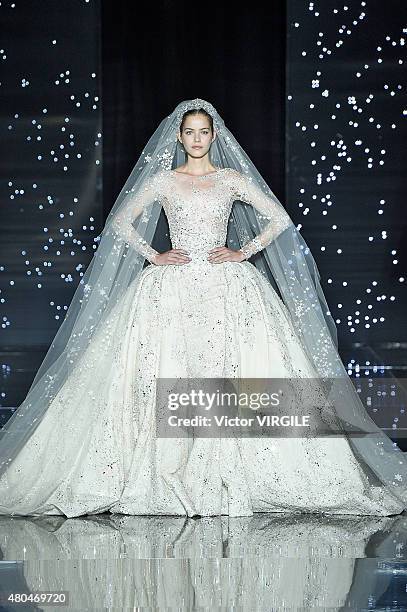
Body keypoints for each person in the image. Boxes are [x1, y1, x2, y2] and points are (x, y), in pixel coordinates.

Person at [0, 98, 406, 518]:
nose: (196, 139)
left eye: (204, 132)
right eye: (190, 132)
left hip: (225, 285)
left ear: (214, 136)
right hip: (171, 287)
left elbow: (279, 218)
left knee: (234, 367)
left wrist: (243, 251)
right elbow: (121, 222)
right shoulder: (163, 180)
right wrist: (153, 255)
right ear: (180, 136)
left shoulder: (229, 179)